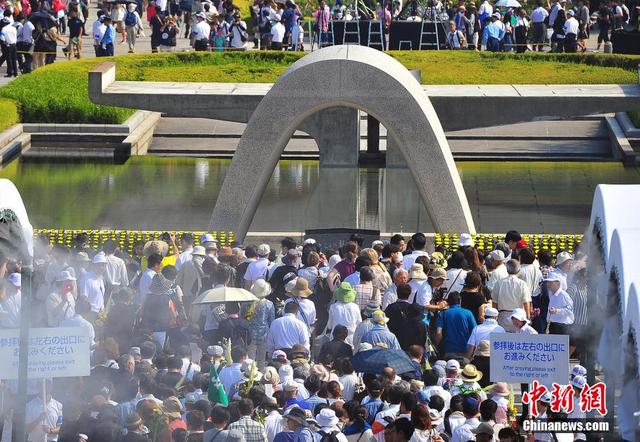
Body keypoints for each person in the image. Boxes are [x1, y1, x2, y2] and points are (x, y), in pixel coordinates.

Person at [435, 292, 477, 362]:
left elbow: (438, 333)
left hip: (449, 350)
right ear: (460, 301)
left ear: (448, 302)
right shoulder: (468, 313)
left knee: (450, 371)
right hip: (466, 351)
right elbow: (475, 331)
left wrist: (436, 345)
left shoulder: (443, 314)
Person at [491, 259, 532, 332]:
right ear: (518, 270)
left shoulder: (499, 283)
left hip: (503, 317)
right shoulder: (522, 284)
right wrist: (528, 317)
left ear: (507, 269)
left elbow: (494, 302)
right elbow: (526, 302)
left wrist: (494, 316)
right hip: (518, 318)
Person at [247, 279, 276, 369]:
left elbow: (244, 319)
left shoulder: (248, 303)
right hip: (264, 335)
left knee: (250, 360)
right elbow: (271, 321)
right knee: (261, 360)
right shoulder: (269, 304)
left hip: (250, 334)